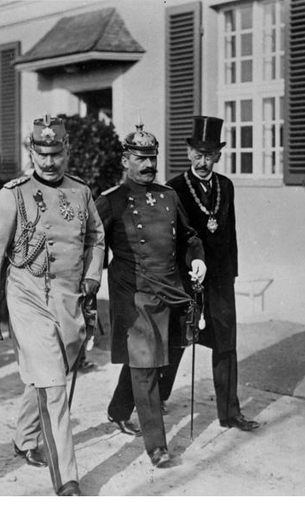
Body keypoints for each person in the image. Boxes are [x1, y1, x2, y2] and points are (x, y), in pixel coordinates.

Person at [0, 115, 104, 496]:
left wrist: (94, 275)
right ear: (31, 151)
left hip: (69, 301)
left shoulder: (81, 192)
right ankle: (67, 479)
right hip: (27, 297)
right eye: (41, 154)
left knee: (49, 374)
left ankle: (24, 436)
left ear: (67, 152)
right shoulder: (10, 195)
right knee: (53, 384)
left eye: (56, 154)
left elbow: (96, 238)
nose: (48, 162)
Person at [95, 122, 206, 468]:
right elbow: (92, 244)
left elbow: (189, 237)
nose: (147, 165)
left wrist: (198, 258)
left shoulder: (169, 197)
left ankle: (117, 410)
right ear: (125, 160)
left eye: (152, 159)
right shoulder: (110, 201)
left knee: (169, 356)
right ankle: (157, 446)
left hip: (172, 291)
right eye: (139, 159)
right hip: (136, 294)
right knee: (144, 364)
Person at [161, 116, 259, 431]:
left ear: (218, 155)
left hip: (219, 280)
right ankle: (159, 397)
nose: (204, 162)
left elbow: (229, 233)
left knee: (225, 342)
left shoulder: (225, 186)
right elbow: (172, 239)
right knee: (177, 339)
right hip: (186, 279)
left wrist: (230, 274)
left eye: (210, 155)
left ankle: (229, 412)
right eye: (198, 154)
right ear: (189, 153)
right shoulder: (174, 188)